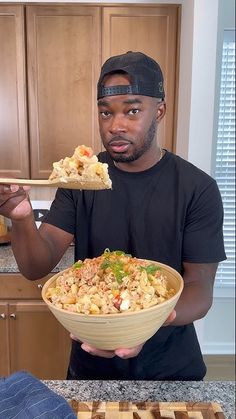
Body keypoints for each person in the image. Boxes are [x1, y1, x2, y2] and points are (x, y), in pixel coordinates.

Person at [0, 51, 226, 381]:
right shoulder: (80, 181)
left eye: (132, 111)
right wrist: (20, 219)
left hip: (172, 370)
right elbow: (37, 265)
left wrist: (141, 321)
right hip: (91, 367)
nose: (115, 125)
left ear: (159, 111)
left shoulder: (197, 188)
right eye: (105, 113)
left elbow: (200, 289)